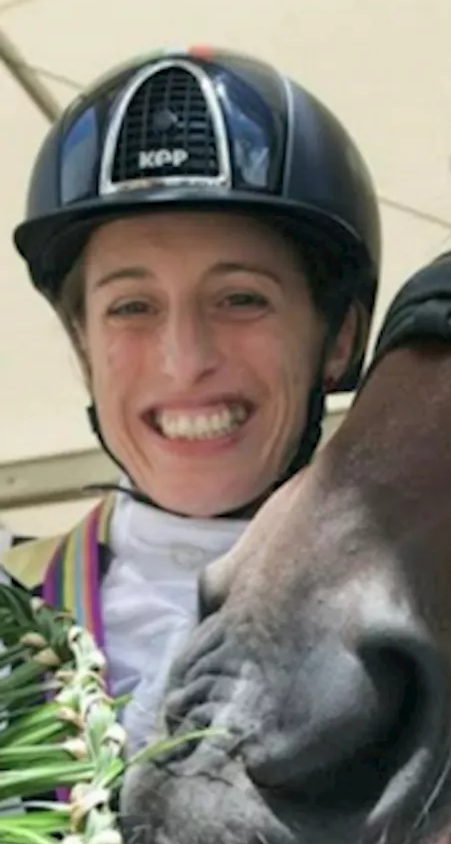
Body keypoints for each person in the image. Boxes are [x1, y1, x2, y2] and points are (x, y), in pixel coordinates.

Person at [2, 46, 381, 759]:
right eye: (132, 307)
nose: (184, 360)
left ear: (339, 338)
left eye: (240, 299)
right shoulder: (7, 605)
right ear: (83, 344)